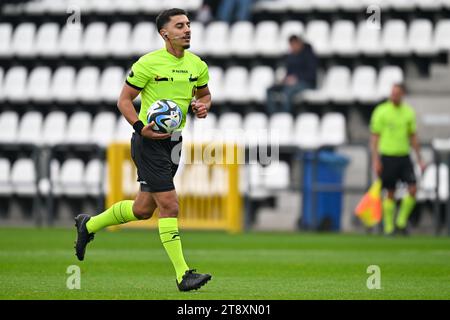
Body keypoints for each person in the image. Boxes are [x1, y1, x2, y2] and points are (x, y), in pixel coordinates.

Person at [73, 8, 212, 292]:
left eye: (188, 24)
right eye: (179, 26)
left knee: (143, 209)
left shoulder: (197, 65)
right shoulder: (148, 63)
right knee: (170, 205)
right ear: (165, 33)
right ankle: (183, 274)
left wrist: (202, 106)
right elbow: (124, 100)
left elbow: (205, 94)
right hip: (148, 142)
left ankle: (88, 225)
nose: (187, 30)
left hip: (175, 142)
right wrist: (139, 127)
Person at [370, 83, 426, 236]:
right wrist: (376, 159)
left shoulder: (408, 113)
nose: (394, 96)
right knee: (390, 192)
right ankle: (389, 227)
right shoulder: (381, 111)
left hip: (403, 155)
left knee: (413, 188)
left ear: (402, 95)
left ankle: (401, 221)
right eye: (392, 93)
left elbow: (412, 136)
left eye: (397, 93)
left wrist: (420, 158)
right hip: (387, 156)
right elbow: (375, 137)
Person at [266, 35, 317, 114]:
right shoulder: (291, 56)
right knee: (270, 90)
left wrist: (297, 78)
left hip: (306, 82)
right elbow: (289, 73)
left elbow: (311, 74)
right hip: (291, 83)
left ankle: (286, 115)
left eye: (294, 44)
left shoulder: (309, 55)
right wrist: (286, 79)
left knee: (288, 91)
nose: (293, 47)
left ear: (299, 43)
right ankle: (273, 114)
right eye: (291, 45)